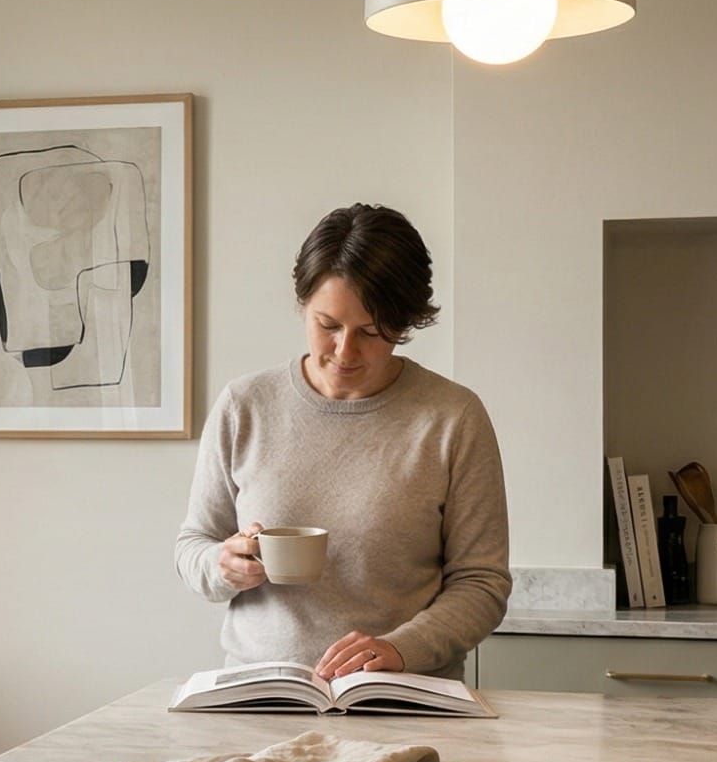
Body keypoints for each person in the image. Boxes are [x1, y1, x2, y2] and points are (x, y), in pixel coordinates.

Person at [175, 203, 510, 681]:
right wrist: (222, 565)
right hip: (262, 696)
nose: (345, 351)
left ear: (407, 323)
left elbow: (482, 583)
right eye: (327, 325)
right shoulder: (244, 405)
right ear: (302, 304)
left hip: (400, 696)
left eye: (372, 332)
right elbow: (194, 544)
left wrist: (400, 650)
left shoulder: (453, 417)